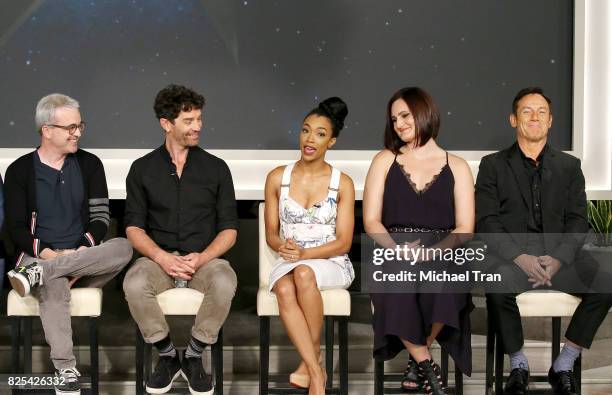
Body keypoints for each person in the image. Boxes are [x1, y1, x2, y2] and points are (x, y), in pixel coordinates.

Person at [476, 87, 612, 395]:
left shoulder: (569, 166)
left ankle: (565, 362)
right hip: (514, 260)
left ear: (550, 121)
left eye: (541, 112)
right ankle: (519, 364)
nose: (534, 117)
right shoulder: (493, 165)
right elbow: (487, 222)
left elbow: (578, 221)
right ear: (513, 119)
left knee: (605, 285)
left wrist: (559, 259)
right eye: (526, 111)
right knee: (496, 284)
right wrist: (520, 257)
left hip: (561, 260)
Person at [5, 93, 133, 395]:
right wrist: (48, 256)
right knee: (55, 282)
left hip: (84, 259)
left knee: (123, 246)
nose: (77, 132)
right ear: (46, 130)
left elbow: (101, 216)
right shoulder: (20, 170)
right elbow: (16, 228)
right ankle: (65, 370)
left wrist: (82, 250)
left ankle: (44, 272)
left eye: (80, 126)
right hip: (36, 258)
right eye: (70, 127)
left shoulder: (90, 164)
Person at [123, 84, 238, 395]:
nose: (197, 127)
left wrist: (200, 258)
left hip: (204, 259)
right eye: (189, 121)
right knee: (134, 283)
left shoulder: (216, 168)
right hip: (157, 259)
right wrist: (162, 258)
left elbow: (229, 229)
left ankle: (194, 355)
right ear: (166, 123)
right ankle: (167, 355)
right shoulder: (142, 169)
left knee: (225, 281)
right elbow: (133, 228)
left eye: (199, 119)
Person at [363, 87, 474, 395]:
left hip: (442, 250)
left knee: (445, 280)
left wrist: (433, 252)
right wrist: (398, 249)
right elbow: (371, 220)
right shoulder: (384, 160)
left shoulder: (459, 166)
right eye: (394, 118)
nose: (399, 124)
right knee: (397, 281)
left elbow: (465, 227)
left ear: (424, 113)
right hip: (393, 247)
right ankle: (428, 366)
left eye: (405, 115)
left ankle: (417, 359)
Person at [264, 97, 355, 395]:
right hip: (289, 259)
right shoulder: (278, 177)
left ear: (332, 141)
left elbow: (343, 242)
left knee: (303, 273)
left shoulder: (343, 183)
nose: (309, 139)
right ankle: (316, 368)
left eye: (319, 133)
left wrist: (305, 255)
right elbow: (271, 236)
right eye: (305, 130)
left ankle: (311, 366)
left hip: (331, 261)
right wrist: (285, 247)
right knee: (287, 286)